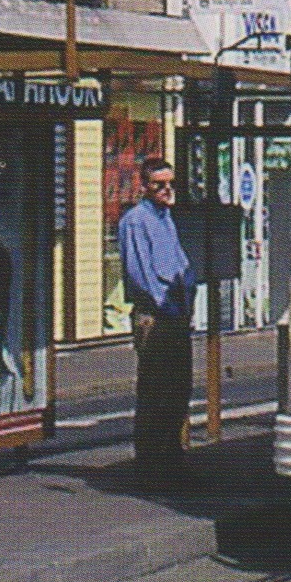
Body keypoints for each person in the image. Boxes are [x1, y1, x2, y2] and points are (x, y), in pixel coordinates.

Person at [117, 157, 197, 483]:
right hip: (156, 316)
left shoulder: (166, 219)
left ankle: (172, 461)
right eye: (158, 184)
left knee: (179, 389)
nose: (166, 190)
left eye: (170, 183)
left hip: (176, 315)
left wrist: (187, 305)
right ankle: (151, 467)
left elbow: (180, 265)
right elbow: (141, 276)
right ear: (144, 186)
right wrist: (168, 309)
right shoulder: (137, 222)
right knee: (156, 391)